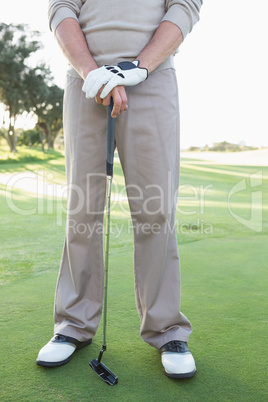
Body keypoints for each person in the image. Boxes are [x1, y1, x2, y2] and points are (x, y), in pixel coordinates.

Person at [36, 0, 203, 379]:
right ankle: (73, 325)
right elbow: (61, 8)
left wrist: (137, 67)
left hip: (153, 77)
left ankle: (167, 331)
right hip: (85, 81)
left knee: (155, 209)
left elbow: (184, 7)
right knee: (83, 209)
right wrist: (91, 71)